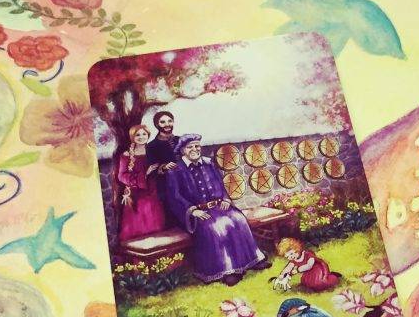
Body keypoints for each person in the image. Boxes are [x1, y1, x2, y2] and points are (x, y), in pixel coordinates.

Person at [165, 134, 271, 285]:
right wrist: (193, 211)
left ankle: (253, 260)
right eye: (190, 147)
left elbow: (221, 184)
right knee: (216, 227)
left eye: (197, 146)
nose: (194, 149)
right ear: (182, 150)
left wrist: (226, 199)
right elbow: (175, 197)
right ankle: (227, 271)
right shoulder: (175, 170)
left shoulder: (209, 163)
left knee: (238, 219)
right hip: (196, 213)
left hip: (218, 206)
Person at [116, 123, 166, 241]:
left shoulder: (154, 151)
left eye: (144, 134)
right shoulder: (127, 155)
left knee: (155, 219)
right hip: (136, 193)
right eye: (138, 135)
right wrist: (144, 175)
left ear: (148, 135)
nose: (141, 137)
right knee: (139, 222)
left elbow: (162, 168)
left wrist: (161, 169)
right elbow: (122, 176)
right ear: (132, 137)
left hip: (154, 191)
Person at [273, 236, 341, 292]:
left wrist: (298, 270)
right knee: (308, 284)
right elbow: (288, 268)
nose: (290, 257)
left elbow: (309, 265)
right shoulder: (293, 261)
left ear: (296, 249)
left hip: (318, 269)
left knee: (320, 283)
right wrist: (282, 275)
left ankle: (333, 277)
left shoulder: (307, 254)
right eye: (287, 257)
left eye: (291, 254)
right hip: (309, 273)